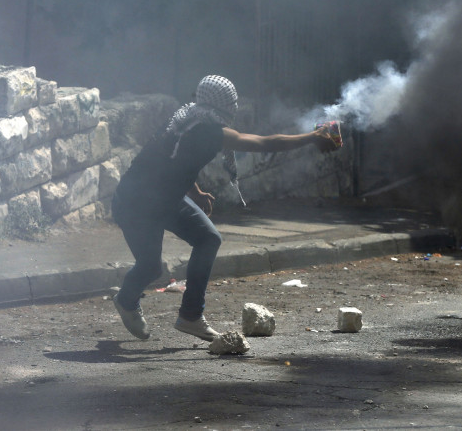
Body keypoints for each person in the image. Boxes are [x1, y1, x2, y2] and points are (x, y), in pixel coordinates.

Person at [111, 74, 337, 341]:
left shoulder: (186, 117)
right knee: (151, 267)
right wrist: (313, 137)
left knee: (208, 238)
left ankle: (190, 316)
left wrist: (194, 191)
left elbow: (175, 161)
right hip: (137, 203)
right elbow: (265, 143)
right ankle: (127, 301)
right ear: (226, 104)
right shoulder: (207, 130)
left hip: (161, 198)